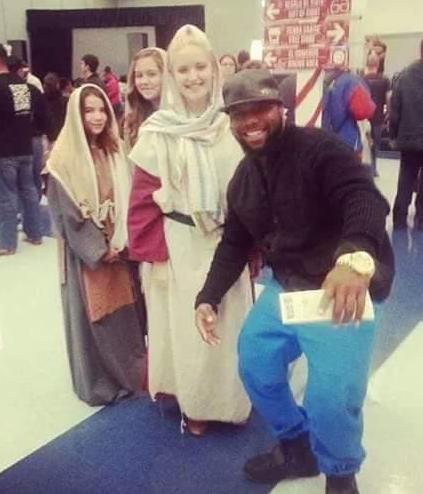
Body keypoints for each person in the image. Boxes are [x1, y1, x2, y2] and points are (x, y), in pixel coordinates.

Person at [195, 69, 394, 493]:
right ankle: (296, 447)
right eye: (239, 113)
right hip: (288, 289)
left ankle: (340, 475)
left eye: (261, 109)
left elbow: (365, 198)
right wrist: (208, 296)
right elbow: (234, 242)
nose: (251, 121)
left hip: (341, 287)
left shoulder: (319, 149)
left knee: (331, 398)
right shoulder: (243, 179)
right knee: (255, 364)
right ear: (230, 121)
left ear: (280, 108)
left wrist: (353, 258)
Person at [128, 25, 252, 436]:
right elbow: (142, 201)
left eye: (200, 66)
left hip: (227, 243)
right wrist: (155, 258)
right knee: (189, 330)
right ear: (172, 75)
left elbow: (253, 190)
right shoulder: (158, 131)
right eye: (183, 69)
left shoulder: (233, 124)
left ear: (214, 69)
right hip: (179, 244)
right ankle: (196, 404)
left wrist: (255, 247)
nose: (193, 76)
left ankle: (232, 401)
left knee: (229, 324)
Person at [46, 84, 146, 406]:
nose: (97, 116)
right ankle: (100, 384)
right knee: (94, 318)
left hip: (119, 247)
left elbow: (129, 195)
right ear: (76, 114)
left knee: (123, 314)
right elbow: (66, 215)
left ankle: (130, 374)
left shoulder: (114, 151)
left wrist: (123, 240)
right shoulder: (62, 160)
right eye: (88, 110)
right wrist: (99, 249)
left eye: (102, 109)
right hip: (86, 256)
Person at [0, 44, 46, 255]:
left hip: (4, 150)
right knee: (29, 190)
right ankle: (35, 233)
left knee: (6, 196)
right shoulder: (27, 87)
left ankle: (7, 242)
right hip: (26, 147)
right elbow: (43, 114)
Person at [390, 39, 423, 230]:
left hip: (408, 138)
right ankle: (421, 218)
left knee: (406, 178)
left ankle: (399, 217)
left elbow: (395, 109)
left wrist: (393, 135)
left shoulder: (405, 75)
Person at [322, 68, 375, 157]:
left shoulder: (315, 80)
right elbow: (365, 110)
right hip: (349, 139)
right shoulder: (352, 80)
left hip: (323, 140)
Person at [124, 47, 166, 150]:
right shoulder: (132, 120)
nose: (144, 82)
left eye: (152, 74)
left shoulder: (183, 116)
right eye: (139, 76)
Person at [364, 52, 390, 176]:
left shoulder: (361, 79)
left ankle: (367, 168)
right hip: (378, 118)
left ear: (367, 64)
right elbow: (388, 98)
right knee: (375, 145)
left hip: (364, 117)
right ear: (378, 64)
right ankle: (373, 168)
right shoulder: (385, 80)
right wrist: (388, 114)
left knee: (366, 143)